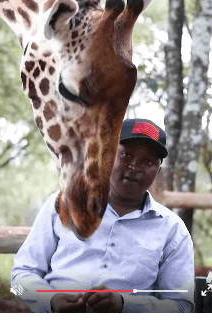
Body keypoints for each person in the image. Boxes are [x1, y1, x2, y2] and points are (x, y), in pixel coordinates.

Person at [12, 119, 194, 313]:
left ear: (157, 170)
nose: (134, 166)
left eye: (147, 161)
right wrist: (51, 300)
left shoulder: (172, 230)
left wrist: (124, 306)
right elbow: (21, 275)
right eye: (125, 155)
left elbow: (181, 306)